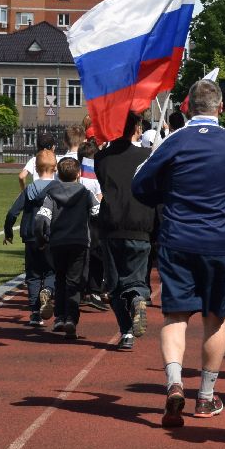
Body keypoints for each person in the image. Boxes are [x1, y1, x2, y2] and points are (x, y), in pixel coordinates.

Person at [131, 80, 225, 427]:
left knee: (175, 318)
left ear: (187, 107)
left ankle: (175, 382)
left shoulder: (175, 140)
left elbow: (139, 182)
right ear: (219, 108)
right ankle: (204, 397)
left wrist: (165, 196)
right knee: (215, 320)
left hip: (178, 240)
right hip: (220, 243)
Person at [94, 110, 158, 350]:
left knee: (113, 282)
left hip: (111, 224)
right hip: (141, 222)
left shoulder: (102, 158)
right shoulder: (148, 156)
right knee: (137, 276)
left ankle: (126, 331)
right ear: (136, 130)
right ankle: (138, 297)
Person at [37, 156, 101, 339]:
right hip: (79, 242)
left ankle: (59, 317)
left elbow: (42, 217)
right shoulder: (86, 193)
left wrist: (42, 238)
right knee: (75, 282)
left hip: (57, 242)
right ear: (79, 174)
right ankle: (71, 318)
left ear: (58, 174)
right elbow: (98, 213)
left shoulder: (51, 194)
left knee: (60, 278)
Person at [4, 148, 58, 328]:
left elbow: (12, 212)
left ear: (35, 167)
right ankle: (48, 291)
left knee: (33, 275)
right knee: (52, 271)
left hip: (30, 236)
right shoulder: (58, 189)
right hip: (51, 236)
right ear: (55, 168)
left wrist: (8, 231)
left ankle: (35, 313)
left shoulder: (29, 190)